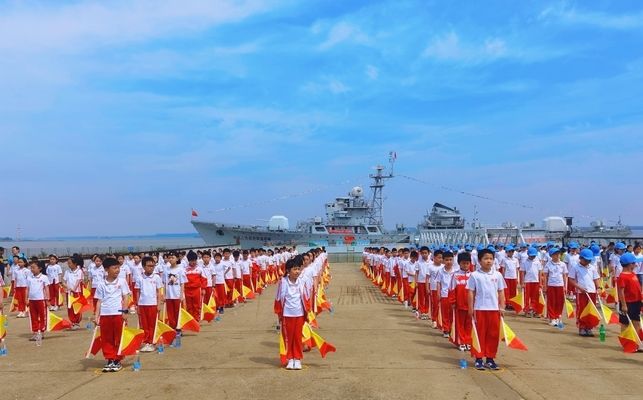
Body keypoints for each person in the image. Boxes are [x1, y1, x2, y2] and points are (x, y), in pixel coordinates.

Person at [467, 248, 506, 371]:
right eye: (486, 258)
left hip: (494, 309)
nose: (489, 261)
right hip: (480, 309)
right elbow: (471, 292)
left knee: (493, 335)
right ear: (479, 260)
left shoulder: (497, 275)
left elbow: (501, 291)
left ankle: (490, 358)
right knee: (480, 334)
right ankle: (479, 358)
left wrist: (502, 306)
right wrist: (470, 308)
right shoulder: (474, 275)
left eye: (491, 258)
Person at [275, 256, 311, 370]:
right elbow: (278, 299)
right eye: (294, 269)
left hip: (299, 313)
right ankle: (290, 358)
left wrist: (308, 312)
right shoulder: (283, 282)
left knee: (297, 336)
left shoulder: (301, 282)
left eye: (298, 269)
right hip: (287, 314)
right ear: (288, 271)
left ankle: (297, 358)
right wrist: (279, 314)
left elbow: (306, 297)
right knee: (288, 337)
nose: (297, 272)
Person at [94, 257, 130, 373]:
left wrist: (125, 312)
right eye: (114, 268)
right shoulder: (101, 284)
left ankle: (118, 359)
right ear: (106, 270)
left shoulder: (122, 281)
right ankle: (110, 359)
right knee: (106, 338)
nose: (117, 270)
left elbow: (126, 297)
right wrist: (96, 316)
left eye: (118, 267)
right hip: (105, 314)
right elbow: (99, 301)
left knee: (118, 337)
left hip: (118, 314)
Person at [568, 249, 601, 337]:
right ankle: (582, 327)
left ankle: (589, 327)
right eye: (586, 260)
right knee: (581, 310)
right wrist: (579, 287)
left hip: (592, 292)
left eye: (589, 260)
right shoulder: (575, 267)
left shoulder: (592, 267)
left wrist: (599, 288)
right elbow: (571, 279)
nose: (587, 262)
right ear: (580, 258)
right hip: (581, 293)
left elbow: (596, 279)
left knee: (591, 310)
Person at [136, 256, 163, 352]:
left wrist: (159, 304)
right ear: (143, 266)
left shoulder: (157, 277)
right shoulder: (139, 277)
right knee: (144, 324)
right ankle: (146, 341)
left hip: (153, 304)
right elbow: (138, 292)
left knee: (152, 324)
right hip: (142, 304)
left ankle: (152, 341)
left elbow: (159, 291)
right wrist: (137, 305)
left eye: (153, 266)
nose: (151, 268)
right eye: (149, 266)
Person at [617, 252, 643, 347]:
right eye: (634, 263)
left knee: (637, 322)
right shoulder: (622, 277)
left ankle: (637, 341)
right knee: (625, 323)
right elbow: (621, 292)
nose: (636, 264)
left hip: (636, 302)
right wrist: (623, 305)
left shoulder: (633, 274)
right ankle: (626, 342)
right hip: (627, 303)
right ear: (629, 264)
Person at [450, 251, 472, 351]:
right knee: (460, 324)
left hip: (471, 305)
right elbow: (452, 289)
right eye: (463, 263)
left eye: (467, 263)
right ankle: (461, 341)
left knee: (469, 324)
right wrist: (453, 302)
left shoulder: (473, 275)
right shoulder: (455, 275)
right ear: (459, 263)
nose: (466, 265)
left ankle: (468, 341)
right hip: (459, 304)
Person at [543, 248, 568, 326]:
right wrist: (545, 286)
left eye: (559, 254)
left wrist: (565, 286)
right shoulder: (548, 264)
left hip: (560, 285)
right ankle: (552, 318)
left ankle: (558, 317)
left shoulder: (563, 264)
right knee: (551, 302)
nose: (558, 255)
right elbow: (545, 276)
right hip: (551, 285)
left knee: (560, 302)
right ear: (551, 256)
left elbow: (564, 276)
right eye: (555, 254)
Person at [26, 260, 49, 341]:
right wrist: (27, 298)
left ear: (39, 268)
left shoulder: (44, 277)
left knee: (42, 316)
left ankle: (42, 332)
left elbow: (46, 289)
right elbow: (27, 289)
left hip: (41, 300)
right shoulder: (29, 277)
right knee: (33, 317)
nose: (32, 269)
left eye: (33, 267)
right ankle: (35, 332)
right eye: (31, 267)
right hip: (32, 300)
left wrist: (47, 299)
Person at [163, 252, 186, 330]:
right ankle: (172, 327)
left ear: (177, 259)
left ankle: (178, 327)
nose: (171, 259)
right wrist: (164, 294)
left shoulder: (180, 269)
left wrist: (181, 295)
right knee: (170, 313)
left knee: (178, 312)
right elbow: (165, 283)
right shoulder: (166, 270)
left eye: (172, 257)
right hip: (169, 295)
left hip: (177, 294)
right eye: (169, 258)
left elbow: (182, 283)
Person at [436, 251, 456, 337]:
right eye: (447, 260)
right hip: (444, 294)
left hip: (454, 295)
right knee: (445, 313)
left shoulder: (456, 271)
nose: (449, 262)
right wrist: (438, 293)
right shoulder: (440, 271)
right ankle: (446, 329)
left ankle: (452, 329)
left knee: (452, 313)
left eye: (450, 260)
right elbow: (438, 283)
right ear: (443, 261)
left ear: (453, 260)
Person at [62, 255, 84, 330]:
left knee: (77, 307)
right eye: (68, 263)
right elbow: (64, 281)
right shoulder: (67, 272)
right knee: (70, 307)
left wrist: (73, 289)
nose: (68, 265)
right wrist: (67, 287)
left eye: (70, 263)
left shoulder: (79, 271)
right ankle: (73, 322)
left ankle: (77, 322)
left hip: (77, 292)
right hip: (69, 292)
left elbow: (78, 281)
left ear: (75, 264)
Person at [184, 250, 207, 321]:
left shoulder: (200, 269)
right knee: (189, 305)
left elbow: (204, 279)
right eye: (191, 261)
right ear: (188, 261)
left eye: (194, 260)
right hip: (187, 290)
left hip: (197, 290)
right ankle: (191, 319)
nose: (193, 262)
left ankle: (196, 318)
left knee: (196, 305)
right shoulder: (184, 269)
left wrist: (203, 289)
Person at [520, 247, 542, 318]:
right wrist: (522, 282)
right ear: (528, 254)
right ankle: (527, 310)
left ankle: (535, 310)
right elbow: (522, 273)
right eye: (531, 255)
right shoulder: (524, 262)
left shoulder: (537, 262)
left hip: (536, 281)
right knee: (527, 297)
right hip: (527, 281)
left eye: (534, 255)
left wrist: (540, 283)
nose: (533, 257)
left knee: (535, 297)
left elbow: (540, 272)